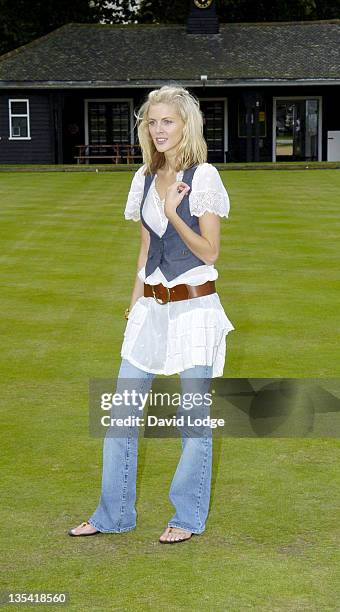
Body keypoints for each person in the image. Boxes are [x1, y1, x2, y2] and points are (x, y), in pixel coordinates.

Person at [68, 85, 235, 543]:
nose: (159, 130)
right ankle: (112, 514)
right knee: (121, 416)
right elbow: (145, 248)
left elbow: (210, 251)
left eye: (168, 121)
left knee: (192, 423)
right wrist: (136, 300)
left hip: (195, 310)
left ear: (186, 126)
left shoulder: (203, 178)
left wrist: (172, 211)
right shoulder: (142, 176)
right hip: (153, 309)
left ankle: (186, 517)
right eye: (152, 122)